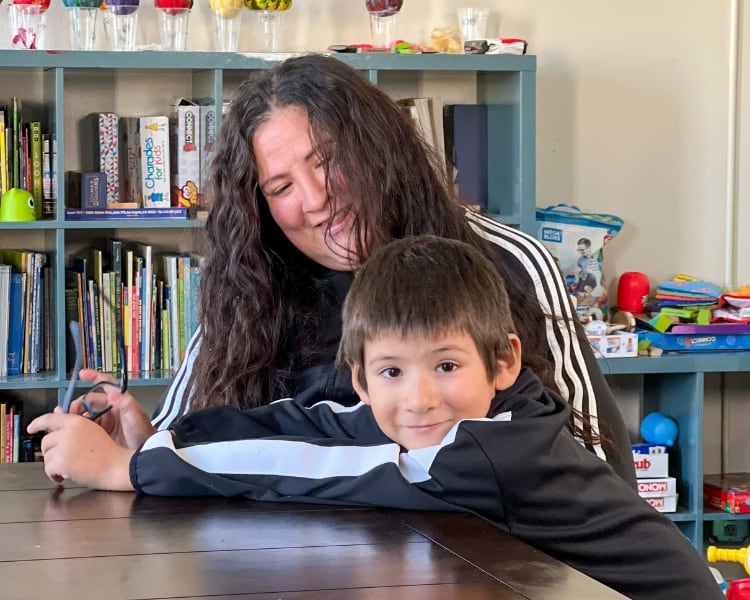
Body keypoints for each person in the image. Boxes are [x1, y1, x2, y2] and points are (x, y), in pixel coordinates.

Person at [29, 236, 721, 600]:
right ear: (361, 376)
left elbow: (316, 468)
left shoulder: (490, 453)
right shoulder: (474, 413)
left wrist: (127, 468)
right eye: (392, 372)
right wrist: (168, 438)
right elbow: (313, 426)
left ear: (504, 362)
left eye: (446, 367)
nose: (418, 398)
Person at [75, 53, 635, 486]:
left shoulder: (509, 261)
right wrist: (139, 445)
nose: (316, 199)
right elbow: (187, 435)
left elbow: (598, 469)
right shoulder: (248, 288)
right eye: (282, 186)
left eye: (328, 161)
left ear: (379, 149)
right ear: (261, 209)